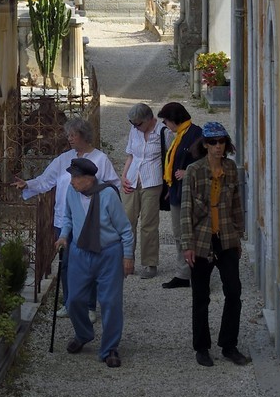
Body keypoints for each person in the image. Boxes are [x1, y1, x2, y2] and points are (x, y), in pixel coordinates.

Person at [14, 117, 118, 303]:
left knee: (88, 264)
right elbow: (46, 180)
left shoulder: (101, 160)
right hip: (63, 220)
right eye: (68, 135)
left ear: (84, 136)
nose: (69, 138)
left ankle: (89, 305)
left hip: (89, 220)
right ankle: (70, 301)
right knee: (66, 264)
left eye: (73, 135)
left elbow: (112, 187)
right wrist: (27, 184)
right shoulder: (63, 160)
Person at [180, 121, 252, 367]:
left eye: (221, 141)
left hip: (227, 238)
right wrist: (187, 245)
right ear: (205, 145)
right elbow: (186, 209)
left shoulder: (230, 169)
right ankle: (201, 347)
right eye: (213, 142)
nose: (218, 146)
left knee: (234, 292)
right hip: (201, 240)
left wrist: (238, 236)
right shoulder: (194, 171)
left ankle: (228, 345)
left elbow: (235, 205)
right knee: (201, 296)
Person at [56, 155, 134, 365]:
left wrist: (127, 256)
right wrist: (64, 236)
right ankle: (83, 334)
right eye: (72, 177)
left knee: (110, 302)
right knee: (74, 301)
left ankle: (110, 349)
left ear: (89, 179)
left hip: (108, 253)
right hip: (80, 253)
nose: (72, 181)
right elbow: (68, 218)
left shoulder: (108, 195)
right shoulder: (73, 192)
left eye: (76, 178)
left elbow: (125, 230)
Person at [157, 101, 202, 289]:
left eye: (166, 121)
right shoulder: (180, 134)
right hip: (177, 191)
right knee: (178, 233)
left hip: (189, 193)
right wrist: (170, 188)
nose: (165, 125)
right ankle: (184, 272)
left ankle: (192, 272)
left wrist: (187, 172)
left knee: (189, 232)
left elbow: (204, 161)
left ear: (175, 120)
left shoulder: (195, 134)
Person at [120, 102, 166, 278]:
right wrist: (123, 177)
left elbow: (169, 157)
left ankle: (150, 263)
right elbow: (130, 155)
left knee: (149, 224)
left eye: (138, 124)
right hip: (132, 179)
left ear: (149, 120)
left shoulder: (163, 131)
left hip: (152, 181)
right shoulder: (135, 129)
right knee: (127, 221)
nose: (135, 127)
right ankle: (126, 260)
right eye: (132, 124)